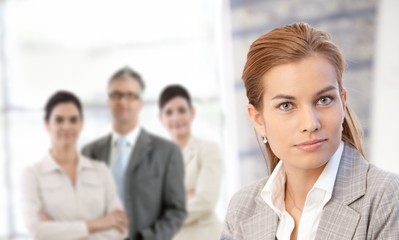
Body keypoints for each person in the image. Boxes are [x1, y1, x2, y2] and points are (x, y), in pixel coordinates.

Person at [221, 22, 399, 240]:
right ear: (258, 119)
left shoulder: (387, 198)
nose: (310, 123)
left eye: (324, 100)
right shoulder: (242, 210)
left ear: (342, 103)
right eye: (286, 105)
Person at [82, 67, 186, 240]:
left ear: (140, 103)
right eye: (116, 95)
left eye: (130, 95)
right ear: (108, 101)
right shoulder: (90, 153)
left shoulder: (166, 152)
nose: (123, 101)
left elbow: (176, 211)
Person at [21, 90, 128, 240]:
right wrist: (98, 224)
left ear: (81, 124)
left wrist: (59, 232)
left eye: (73, 120)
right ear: (47, 124)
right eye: (59, 120)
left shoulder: (100, 171)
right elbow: (36, 230)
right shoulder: (32, 175)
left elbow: (120, 228)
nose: (67, 126)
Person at [158, 84, 223, 240]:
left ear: (192, 113)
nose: (176, 117)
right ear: (160, 118)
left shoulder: (208, 150)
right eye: (169, 112)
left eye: (181, 110)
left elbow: (205, 201)